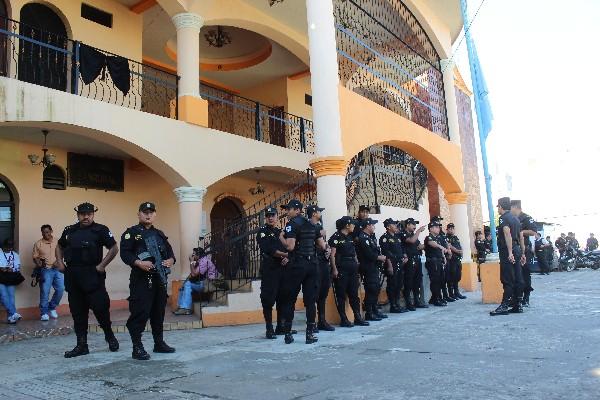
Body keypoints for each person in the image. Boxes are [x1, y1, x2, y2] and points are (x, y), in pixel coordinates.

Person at [56, 202, 119, 358]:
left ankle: (109, 336)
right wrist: (60, 262)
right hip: (73, 275)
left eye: (89, 214)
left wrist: (102, 265)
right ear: (77, 215)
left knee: (101, 309)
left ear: (93, 214)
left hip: (92, 274)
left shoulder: (101, 230)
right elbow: (59, 246)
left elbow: (114, 248)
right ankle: (82, 345)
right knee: (78, 312)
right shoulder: (69, 230)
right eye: (82, 214)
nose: (86, 216)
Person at [120, 202, 176, 360]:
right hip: (141, 281)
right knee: (140, 313)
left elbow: (170, 253)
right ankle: (137, 347)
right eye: (145, 212)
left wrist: (171, 260)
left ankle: (159, 343)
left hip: (159, 279)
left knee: (158, 313)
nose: (148, 215)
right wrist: (138, 263)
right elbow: (125, 254)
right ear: (138, 214)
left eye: (151, 212)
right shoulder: (131, 233)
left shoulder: (159, 234)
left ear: (155, 215)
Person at [279, 199, 326, 345]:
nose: (287, 212)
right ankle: (310, 335)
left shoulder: (291, 224)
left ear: (297, 210)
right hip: (312, 265)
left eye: (289, 209)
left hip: (298, 265)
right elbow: (323, 246)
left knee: (290, 299)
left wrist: (280, 236)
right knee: (310, 301)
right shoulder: (314, 224)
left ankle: (288, 334)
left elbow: (290, 246)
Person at [254, 206, 289, 339]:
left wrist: (288, 257)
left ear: (276, 216)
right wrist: (285, 255)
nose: (270, 217)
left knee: (283, 298)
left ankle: (281, 326)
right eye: (268, 215)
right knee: (268, 299)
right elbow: (269, 249)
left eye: (272, 215)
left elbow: (288, 246)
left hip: (283, 269)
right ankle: (269, 328)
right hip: (270, 269)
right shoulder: (262, 232)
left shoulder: (280, 231)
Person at [329, 216, 369, 327]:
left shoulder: (350, 237)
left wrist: (357, 264)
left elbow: (354, 253)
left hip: (352, 267)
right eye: (352, 224)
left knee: (353, 294)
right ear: (347, 225)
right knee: (341, 295)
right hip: (342, 268)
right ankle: (344, 319)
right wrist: (334, 269)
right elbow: (332, 255)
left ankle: (357, 317)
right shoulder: (336, 237)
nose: (354, 226)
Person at [490, 197, 524, 316]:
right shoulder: (515, 219)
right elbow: (521, 237)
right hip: (517, 249)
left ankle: (504, 305)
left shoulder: (503, 218)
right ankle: (517, 304)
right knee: (518, 277)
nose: (497, 209)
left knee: (508, 278)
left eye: (498, 206)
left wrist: (509, 252)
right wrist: (522, 253)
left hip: (508, 250)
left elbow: (507, 234)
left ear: (501, 206)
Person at [307, 205, 335, 333]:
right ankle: (311, 323)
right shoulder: (308, 226)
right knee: (314, 293)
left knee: (323, 292)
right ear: (313, 213)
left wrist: (328, 249)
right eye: (319, 212)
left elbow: (324, 244)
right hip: (314, 262)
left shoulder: (319, 226)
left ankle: (322, 321)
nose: (320, 214)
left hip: (323, 261)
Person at [355, 218, 389, 321]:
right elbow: (368, 254)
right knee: (371, 289)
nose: (374, 227)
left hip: (373, 266)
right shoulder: (363, 238)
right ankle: (369, 313)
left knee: (376, 288)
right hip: (368, 267)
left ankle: (374, 310)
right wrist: (379, 257)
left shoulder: (369, 237)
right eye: (373, 225)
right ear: (368, 226)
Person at [173, 247, 217, 316]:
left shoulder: (205, 261)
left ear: (198, 255)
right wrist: (182, 284)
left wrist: (191, 262)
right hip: (200, 282)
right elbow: (191, 275)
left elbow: (194, 274)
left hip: (207, 284)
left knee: (188, 284)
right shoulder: (199, 261)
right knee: (184, 285)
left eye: (194, 254)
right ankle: (181, 307)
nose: (192, 256)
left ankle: (186, 308)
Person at [33, 224, 64, 321]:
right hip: (45, 270)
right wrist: (37, 262)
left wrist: (58, 261)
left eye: (47, 232)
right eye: (43, 232)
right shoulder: (38, 243)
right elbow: (35, 256)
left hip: (57, 269)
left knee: (61, 289)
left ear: (51, 231)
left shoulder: (58, 241)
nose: (45, 234)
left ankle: (52, 307)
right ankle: (44, 313)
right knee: (45, 292)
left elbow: (63, 252)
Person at [510, 200, 537, 307]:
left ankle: (526, 297)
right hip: (514, 249)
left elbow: (533, 232)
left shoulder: (526, 218)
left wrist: (520, 231)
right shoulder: (511, 218)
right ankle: (516, 297)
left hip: (525, 250)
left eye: (511, 208)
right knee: (515, 275)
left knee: (524, 274)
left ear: (516, 207)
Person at [379, 218, 408, 313]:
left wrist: (405, 256)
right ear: (388, 226)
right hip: (391, 264)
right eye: (393, 224)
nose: (396, 226)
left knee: (399, 284)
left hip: (400, 263)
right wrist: (390, 266)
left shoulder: (397, 237)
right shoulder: (384, 238)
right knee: (392, 284)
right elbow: (386, 253)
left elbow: (401, 248)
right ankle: (393, 305)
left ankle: (397, 303)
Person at [399, 218, 427, 311]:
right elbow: (411, 241)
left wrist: (425, 244)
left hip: (417, 260)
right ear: (407, 225)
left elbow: (418, 245)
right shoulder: (403, 233)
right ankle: (408, 303)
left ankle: (417, 301)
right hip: (409, 261)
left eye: (415, 225)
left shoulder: (413, 234)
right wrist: (419, 230)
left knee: (417, 281)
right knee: (408, 282)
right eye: (413, 224)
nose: (415, 226)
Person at [424, 220, 448, 307]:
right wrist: (440, 246)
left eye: (439, 227)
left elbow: (440, 250)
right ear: (431, 228)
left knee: (441, 280)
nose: (438, 229)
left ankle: (435, 298)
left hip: (438, 261)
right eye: (436, 227)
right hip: (432, 262)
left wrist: (443, 257)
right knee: (435, 281)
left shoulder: (438, 238)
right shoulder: (429, 237)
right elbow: (432, 244)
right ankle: (436, 299)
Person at [0, 239, 22, 324]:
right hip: (0, 277)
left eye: (10, 247)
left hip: (10, 277)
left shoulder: (15, 255)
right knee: (3, 296)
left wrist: (11, 269)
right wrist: (2, 268)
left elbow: (18, 267)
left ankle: (10, 317)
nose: (9, 249)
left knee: (11, 297)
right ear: (3, 245)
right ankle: (14, 313)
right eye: (7, 247)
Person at [446, 223, 466, 300]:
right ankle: (451, 293)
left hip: (458, 259)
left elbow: (459, 246)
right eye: (450, 228)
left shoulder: (455, 237)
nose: (451, 230)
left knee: (457, 276)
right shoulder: (446, 237)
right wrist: (458, 251)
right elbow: (450, 246)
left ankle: (456, 292)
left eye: (452, 228)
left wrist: (461, 251)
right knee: (451, 276)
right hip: (452, 260)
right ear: (447, 229)